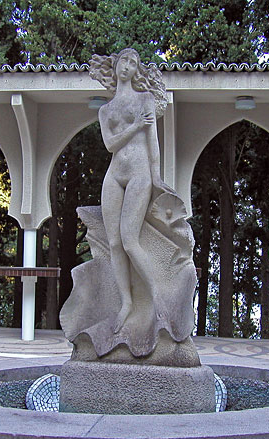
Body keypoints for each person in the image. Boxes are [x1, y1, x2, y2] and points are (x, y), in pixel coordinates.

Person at [93, 48, 168, 332]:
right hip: (114, 175)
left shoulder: (145, 99)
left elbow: (153, 141)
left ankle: (157, 297)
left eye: (133, 63)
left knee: (129, 240)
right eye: (124, 60)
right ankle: (126, 303)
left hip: (139, 173)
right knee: (114, 243)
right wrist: (135, 125)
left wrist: (156, 177)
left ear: (137, 71)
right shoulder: (105, 110)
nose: (127, 66)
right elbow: (110, 145)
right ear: (115, 66)